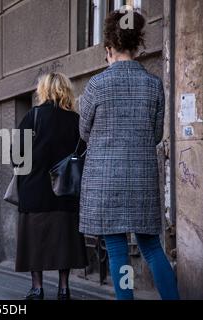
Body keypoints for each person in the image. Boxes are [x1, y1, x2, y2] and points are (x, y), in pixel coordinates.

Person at [79, 10, 180, 300]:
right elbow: (157, 134)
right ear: (136, 46)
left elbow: (84, 131)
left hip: (106, 182)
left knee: (116, 250)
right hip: (142, 178)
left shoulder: (96, 85)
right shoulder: (153, 84)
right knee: (151, 247)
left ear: (109, 48)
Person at [11, 73, 88, 300]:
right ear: (66, 90)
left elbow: (16, 156)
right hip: (66, 191)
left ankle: (37, 288)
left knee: (35, 241)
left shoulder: (32, 117)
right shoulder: (75, 120)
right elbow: (83, 151)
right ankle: (64, 288)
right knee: (65, 240)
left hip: (34, 191)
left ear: (43, 90)